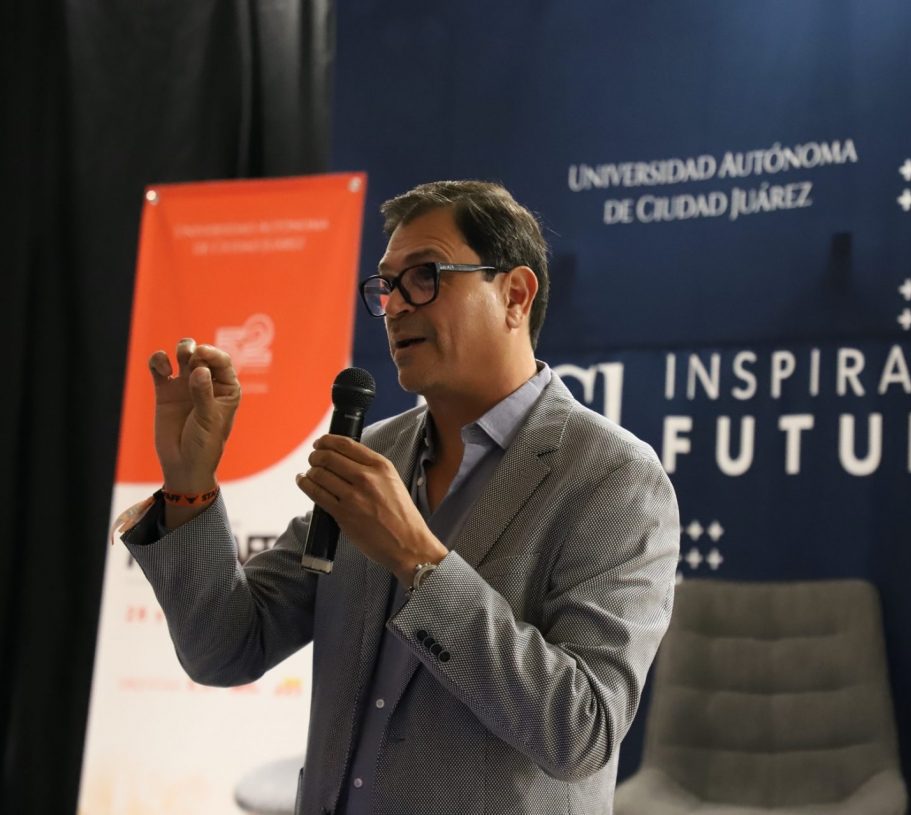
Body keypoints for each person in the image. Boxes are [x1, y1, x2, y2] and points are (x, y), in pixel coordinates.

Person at [122, 180, 681, 815]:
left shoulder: (614, 477)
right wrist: (190, 481)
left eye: (424, 276)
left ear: (515, 295)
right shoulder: (373, 453)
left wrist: (419, 561)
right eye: (386, 285)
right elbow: (226, 649)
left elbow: (582, 730)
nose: (393, 306)